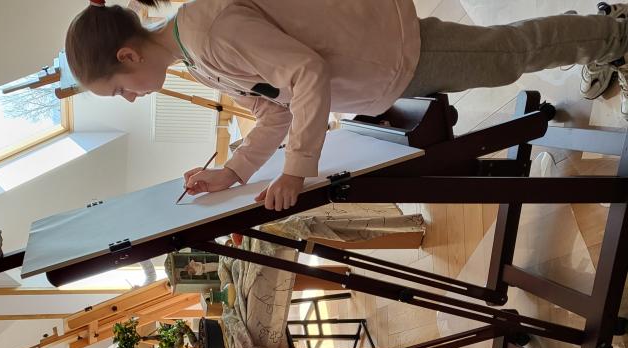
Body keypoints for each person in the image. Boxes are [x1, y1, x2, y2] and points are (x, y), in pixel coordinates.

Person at [65, 1, 628, 212]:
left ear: (127, 55)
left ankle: (612, 34)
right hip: (375, 68)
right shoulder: (196, 58)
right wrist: (233, 171)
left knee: (505, 55)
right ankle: (594, 34)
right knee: (501, 54)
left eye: (120, 89)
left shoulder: (207, 32)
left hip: (385, 51)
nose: (131, 97)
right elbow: (275, 110)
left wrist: (296, 169)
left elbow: (305, 72)